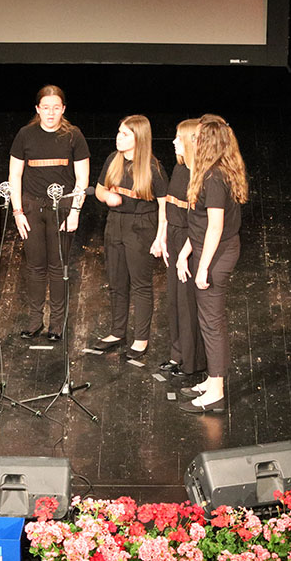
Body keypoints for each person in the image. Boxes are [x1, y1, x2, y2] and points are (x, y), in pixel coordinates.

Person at [176, 114, 248, 413]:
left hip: (216, 254)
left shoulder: (214, 177)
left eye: (198, 137)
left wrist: (203, 266)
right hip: (207, 248)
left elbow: (215, 227)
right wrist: (185, 251)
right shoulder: (210, 172)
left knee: (212, 323)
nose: (193, 141)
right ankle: (212, 379)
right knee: (209, 321)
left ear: (208, 143)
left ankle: (216, 391)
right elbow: (200, 223)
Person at [9, 85, 90, 341]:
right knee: (35, 267)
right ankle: (35, 322)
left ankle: (56, 324)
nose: (51, 113)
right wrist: (17, 211)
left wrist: (75, 211)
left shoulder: (74, 135)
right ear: (37, 109)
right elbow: (14, 175)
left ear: (63, 109)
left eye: (56, 108)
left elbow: (82, 177)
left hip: (62, 210)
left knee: (57, 267)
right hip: (32, 208)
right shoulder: (25, 135)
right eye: (45, 108)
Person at [93, 115, 167, 359]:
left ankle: (141, 339)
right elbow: (100, 189)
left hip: (141, 225)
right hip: (115, 223)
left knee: (140, 284)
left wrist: (160, 237)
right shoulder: (113, 160)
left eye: (125, 134)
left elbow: (164, 205)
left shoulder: (153, 167)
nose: (119, 137)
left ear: (139, 138)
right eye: (119, 132)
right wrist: (107, 197)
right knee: (116, 281)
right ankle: (117, 332)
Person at [158, 119, 205, 377]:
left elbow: (199, 222)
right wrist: (163, 236)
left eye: (179, 137)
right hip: (175, 235)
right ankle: (177, 355)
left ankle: (192, 360)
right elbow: (169, 204)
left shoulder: (200, 175)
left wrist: (184, 254)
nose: (174, 141)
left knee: (188, 302)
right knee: (175, 300)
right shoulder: (179, 169)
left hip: (190, 240)